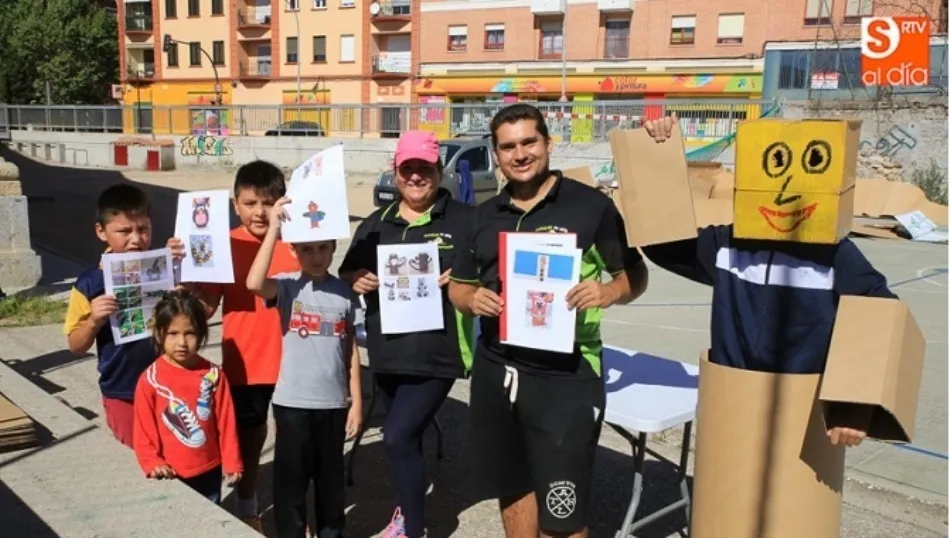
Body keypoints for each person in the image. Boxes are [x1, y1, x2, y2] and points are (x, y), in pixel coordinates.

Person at [447, 104, 649, 538]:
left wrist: (609, 292)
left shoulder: (591, 207)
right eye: (508, 147)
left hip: (567, 375)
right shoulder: (482, 217)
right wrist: (471, 299)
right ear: (495, 155)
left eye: (528, 142)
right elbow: (458, 288)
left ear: (548, 143)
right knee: (513, 485)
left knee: (564, 512)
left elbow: (636, 275)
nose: (519, 154)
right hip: (498, 368)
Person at [640, 114, 893, 444]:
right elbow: (662, 242)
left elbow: (881, 318)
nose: (785, 191)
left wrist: (855, 407)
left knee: (796, 497)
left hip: (803, 414)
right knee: (723, 493)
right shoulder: (727, 245)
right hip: (732, 401)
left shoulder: (836, 255)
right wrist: (657, 153)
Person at [339, 130, 476, 538]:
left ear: (439, 170)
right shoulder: (375, 224)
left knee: (397, 436)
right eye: (407, 169)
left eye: (424, 168)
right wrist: (357, 278)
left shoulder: (466, 220)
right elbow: (347, 272)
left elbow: (494, 271)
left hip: (439, 352)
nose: (416, 177)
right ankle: (405, 512)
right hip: (388, 349)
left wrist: (466, 279)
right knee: (407, 438)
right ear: (395, 172)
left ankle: (413, 530)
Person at [189, 160, 300, 531]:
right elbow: (205, 309)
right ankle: (248, 505)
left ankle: (292, 511)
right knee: (250, 439)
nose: (259, 212)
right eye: (250, 203)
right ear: (235, 205)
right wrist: (187, 278)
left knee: (293, 444)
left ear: (283, 202)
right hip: (246, 361)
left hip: (295, 361)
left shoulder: (297, 242)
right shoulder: (221, 244)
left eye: (268, 203)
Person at [246, 196, 363, 538]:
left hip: (333, 405)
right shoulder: (286, 286)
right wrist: (273, 231)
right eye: (307, 249)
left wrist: (356, 401)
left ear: (332, 249)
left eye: (323, 249)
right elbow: (254, 283)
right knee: (290, 488)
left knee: (330, 488)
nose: (316, 257)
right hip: (292, 405)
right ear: (295, 251)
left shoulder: (345, 293)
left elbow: (351, 349)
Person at [64, 184, 184, 448]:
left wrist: (177, 270)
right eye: (124, 231)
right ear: (101, 232)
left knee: (174, 451)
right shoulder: (89, 283)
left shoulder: (165, 270)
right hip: (122, 390)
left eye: (143, 229)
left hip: (168, 383)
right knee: (141, 454)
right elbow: (75, 345)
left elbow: (192, 319)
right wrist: (94, 319)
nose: (136, 239)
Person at [132, 289, 243, 503]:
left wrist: (232, 461)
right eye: (173, 333)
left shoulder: (213, 375)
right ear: (159, 334)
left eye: (190, 333)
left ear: (201, 334)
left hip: (210, 468)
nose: (182, 342)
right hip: (170, 473)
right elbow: (144, 430)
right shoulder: (150, 380)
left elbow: (226, 422)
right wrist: (152, 462)